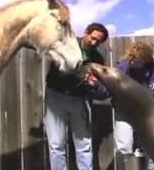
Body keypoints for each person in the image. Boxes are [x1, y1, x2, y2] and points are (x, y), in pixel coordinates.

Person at [44, 22, 110, 170]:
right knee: (56, 144)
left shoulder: (98, 59)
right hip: (56, 97)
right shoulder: (67, 45)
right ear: (86, 32)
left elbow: (100, 91)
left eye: (98, 41)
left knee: (84, 145)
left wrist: (92, 84)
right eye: (92, 38)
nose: (94, 43)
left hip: (79, 99)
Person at [114, 42, 154, 170]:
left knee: (153, 148)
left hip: (149, 115)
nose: (132, 61)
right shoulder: (122, 69)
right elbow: (108, 88)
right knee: (124, 146)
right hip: (125, 112)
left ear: (145, 59)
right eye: (131, 58)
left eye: (136, 58)